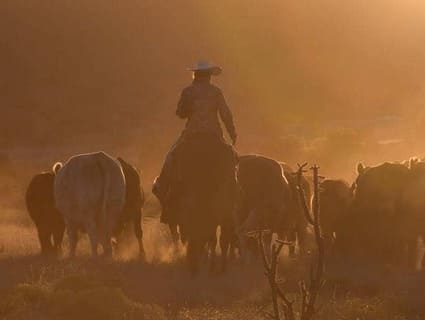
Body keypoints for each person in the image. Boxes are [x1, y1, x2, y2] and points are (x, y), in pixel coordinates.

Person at [153, 61, 237, 223]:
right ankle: (236, 193)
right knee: (233, 160)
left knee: (170, 158)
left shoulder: (188, 91)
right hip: (214, 136)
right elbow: (226, 114)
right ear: (209, 76)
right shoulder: (216, 92)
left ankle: (163, 190)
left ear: (195, 75)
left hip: (191, 135)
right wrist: (232, 133)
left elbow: (180, 113)